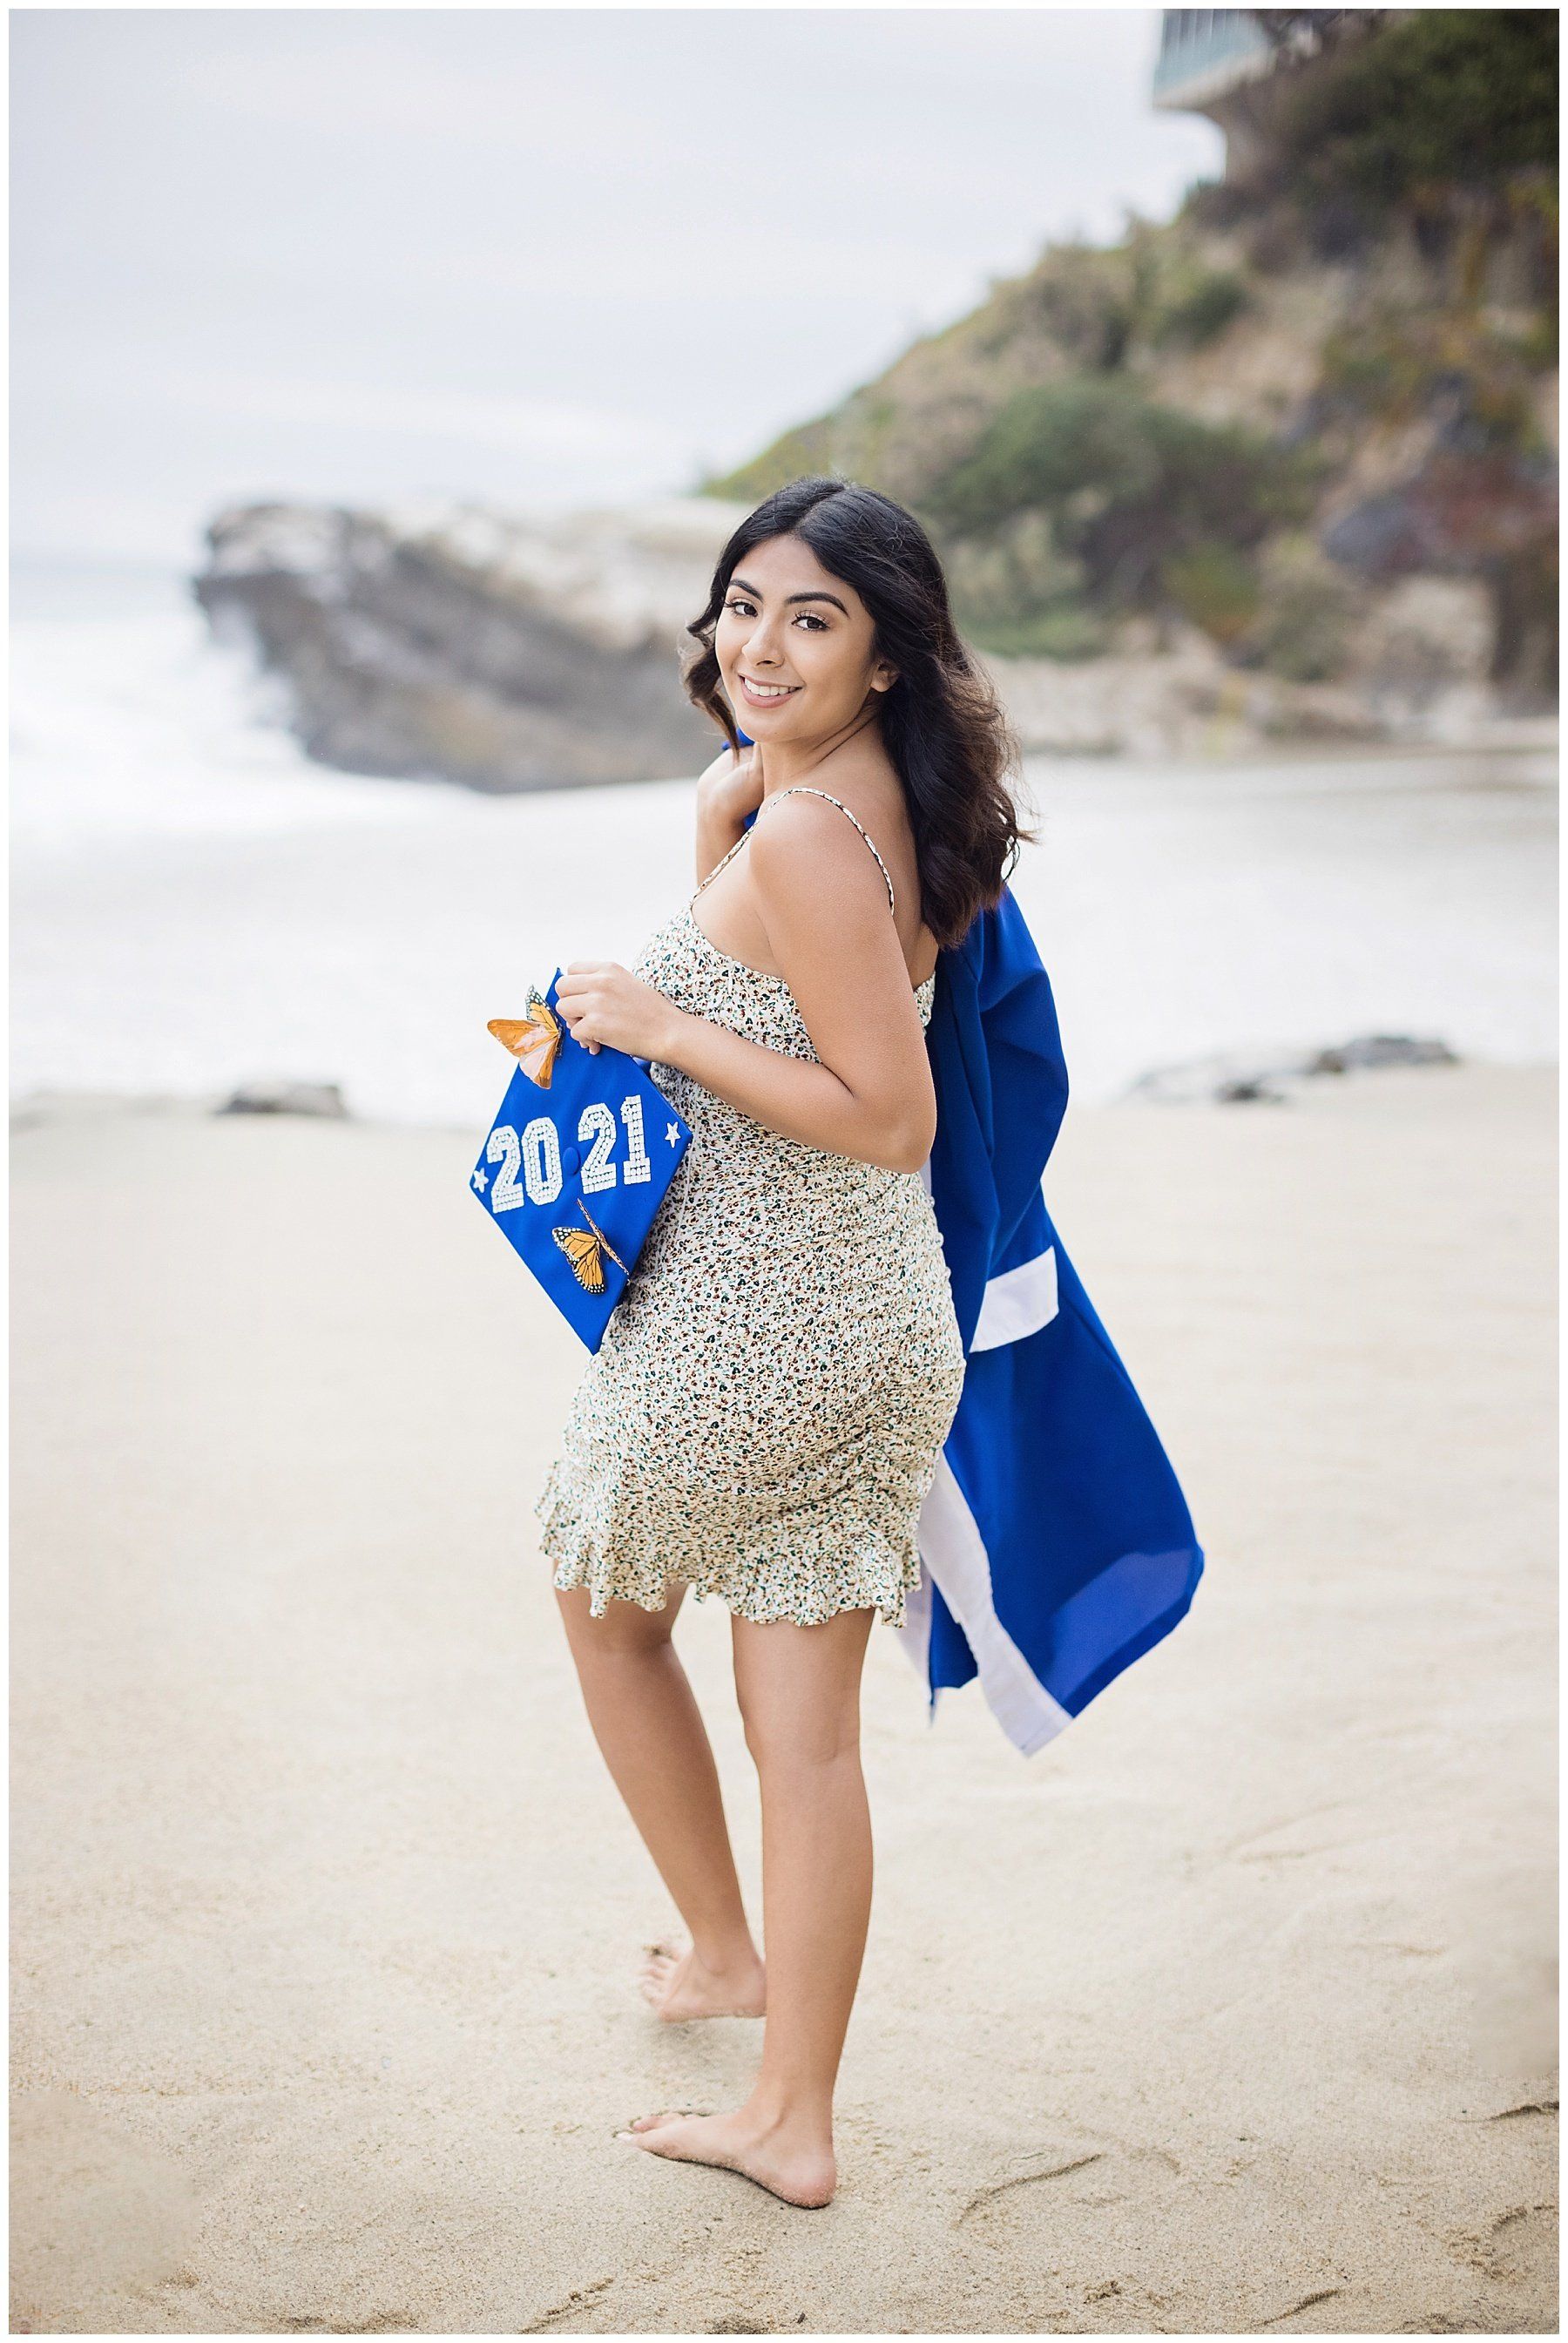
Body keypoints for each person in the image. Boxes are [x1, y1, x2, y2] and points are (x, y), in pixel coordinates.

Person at [539, 475, 1026, 2211]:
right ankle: (786, 2096)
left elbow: (882, 1109)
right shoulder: (854, 802)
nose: (759, 642)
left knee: (605, 1603)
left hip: (768, 1315)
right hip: (861, 1313)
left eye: (811, 618)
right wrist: (710, 860)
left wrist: (656, 1012)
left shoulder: (818, 830)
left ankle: (736, 1970)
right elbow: (826, 989)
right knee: (801, 1727)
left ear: (887, 653)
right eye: (744, 604)